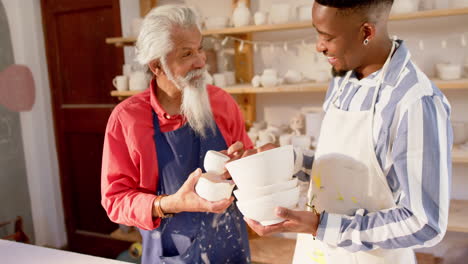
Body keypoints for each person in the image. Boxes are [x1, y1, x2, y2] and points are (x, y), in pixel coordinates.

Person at [244, 0, 453, 263]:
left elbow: (425, 223)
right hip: (315, 253)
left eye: (327, 37)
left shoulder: (415, 101)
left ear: (366, 32)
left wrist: (322, 226)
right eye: (317, 33)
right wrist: (287, 161)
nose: (319, 46)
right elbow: (345, 172)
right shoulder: (343, 81)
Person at [101, 5, 252, 263]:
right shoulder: (127, 119)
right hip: (173, 255)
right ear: (157, 65)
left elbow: (248, 165)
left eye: (200, 48)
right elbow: (115, 201)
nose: (201, 61)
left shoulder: (222, 102)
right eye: (187, 54)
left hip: (230, 248)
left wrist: (244, 162)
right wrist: (171, 203)